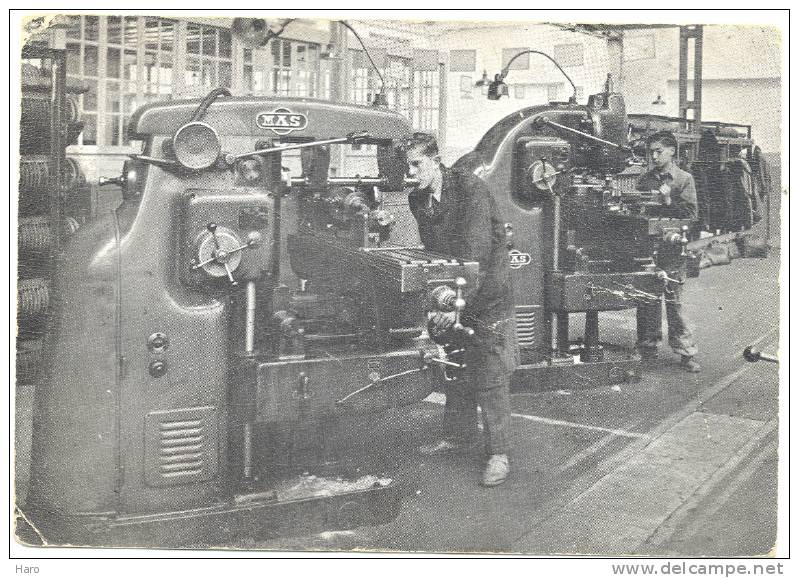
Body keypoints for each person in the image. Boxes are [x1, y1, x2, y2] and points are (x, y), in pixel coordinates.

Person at [402, 132, 517, 487]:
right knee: (455, 362)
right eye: (407, 166)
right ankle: (457, 435)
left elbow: (476, 253)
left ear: (436, 160)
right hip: (456, 289)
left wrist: (458, 303)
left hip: (487, 291)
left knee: (489, 369)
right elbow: (435, 253)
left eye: (416, 164)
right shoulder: (418, 199)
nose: (410, 173)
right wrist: (438, 300)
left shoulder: (470, 189)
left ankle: (499, 453)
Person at [635, 131, 701, 373]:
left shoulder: (684, 180)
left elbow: (692, 217)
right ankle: (648, 349)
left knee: (675, 303)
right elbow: (639, 212)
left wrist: (668, 200)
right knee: (648, 302)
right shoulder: (645, 180)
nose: (653, 156)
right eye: (651, 151)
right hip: (648, 249)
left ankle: (686, 354)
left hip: (672, 251)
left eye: (658, 151)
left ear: (672, 151)